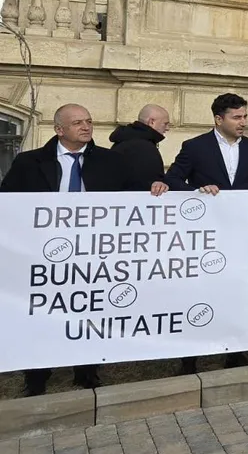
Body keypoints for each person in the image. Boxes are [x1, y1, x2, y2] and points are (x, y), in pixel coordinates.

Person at [0, 104, 132, 396]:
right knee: (41, 312)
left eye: (89, 121)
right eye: (77, 123)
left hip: (92, 251)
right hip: (42, 251)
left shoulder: (111, 161)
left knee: (89, 309)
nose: (86, 127)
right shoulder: (29, 162)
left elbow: (135, 195)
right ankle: (37, 375)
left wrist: (158, 186)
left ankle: (86, 371)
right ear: (59, 129)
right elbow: (8, 202)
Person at [165, 93, 248, 373]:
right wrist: (196, 192)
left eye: (245, 116)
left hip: (240, 233)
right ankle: (190, 358)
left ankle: (235, 352)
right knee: (199, 293)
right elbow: (172, 179)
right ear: (218, 119)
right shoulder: (195, 146)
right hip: (204, 235)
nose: (243, 122)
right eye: (237, 117)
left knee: (237, 292)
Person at [108, 104, 172, 193]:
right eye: (165, 124)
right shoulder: (144, 147)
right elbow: (151, 184)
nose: (167, 128)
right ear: (151, 122)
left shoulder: (125, 140)